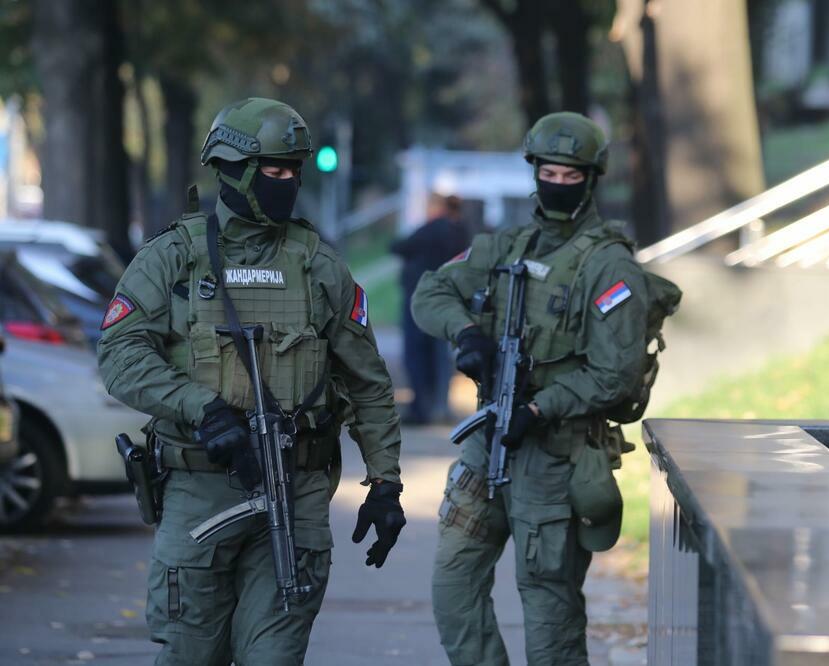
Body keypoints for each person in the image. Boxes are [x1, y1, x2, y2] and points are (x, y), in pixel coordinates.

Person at [97, 97, 406, 665]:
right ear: (232, 170)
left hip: (297, 492)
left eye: (294, 170)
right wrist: (200, 406)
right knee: (190, 655)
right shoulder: (173, 258)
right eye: (273, 170)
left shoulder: (319, 265)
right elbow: (119, 353)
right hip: (199, 490)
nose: (286, 182)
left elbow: (367, 381)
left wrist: (385, 483)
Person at [412, 112, 649, 665]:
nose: (558, 185)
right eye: (549, 172)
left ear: (591, 179)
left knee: (549, 611)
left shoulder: (609, 266)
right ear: (534, 171)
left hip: (557, 457)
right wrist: (467, 333)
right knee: (453, 587)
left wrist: (541, 407)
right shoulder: (506, 246)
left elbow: (617, 374)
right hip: (486, 445)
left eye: (571, 176)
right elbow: (431, 291)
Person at [391, 193, 470, 424]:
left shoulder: (432, 228)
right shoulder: (461, 232)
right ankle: (440, 406)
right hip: (446, 300)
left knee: (416, 355)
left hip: (419, 299)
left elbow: (399, 246)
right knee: (440, 357)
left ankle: (420, 408)